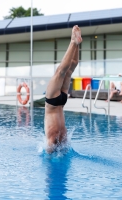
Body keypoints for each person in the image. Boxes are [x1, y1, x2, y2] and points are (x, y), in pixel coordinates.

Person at [44, 25, 82, 153]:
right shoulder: (60, 142)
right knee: (69, 70)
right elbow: (73, 64)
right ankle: (76, 44)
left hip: (52, 102)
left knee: (61, 71)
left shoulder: (51, 145)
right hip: (60, 102)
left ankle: (73, 42)